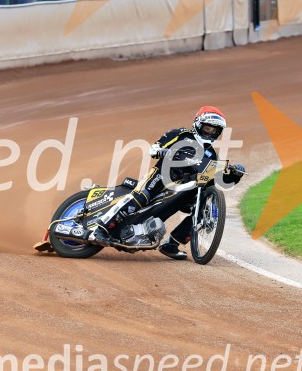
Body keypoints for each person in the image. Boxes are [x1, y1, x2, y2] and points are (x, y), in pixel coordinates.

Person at [89, 107, 246, 260]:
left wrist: (234, 174)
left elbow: (218, 179)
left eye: (214, 130)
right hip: (162, 176)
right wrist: (162, 151)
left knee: (200, 213)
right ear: (198, 124)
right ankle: (101, 229)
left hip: (183, 187)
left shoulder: (211, 154)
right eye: (207, 128)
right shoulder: (180, 134)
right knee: (140, 197)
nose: (210, 132)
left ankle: (171, 244)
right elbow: (154, 149)